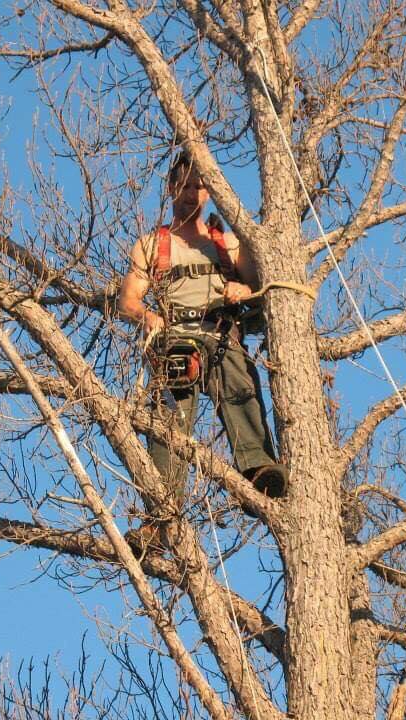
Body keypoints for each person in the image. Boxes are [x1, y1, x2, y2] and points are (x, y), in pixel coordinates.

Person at [118, 153, 288, 506]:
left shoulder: (227, 244)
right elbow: (128, 302)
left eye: (198, 186)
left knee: (240, 385)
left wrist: (244, 290)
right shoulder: (151, 245)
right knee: (168, 418)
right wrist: (147, 317)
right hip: (176, 339)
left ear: (210, 192)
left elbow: (261, 292)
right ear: (170, 189)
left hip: (220, 334)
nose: (191, 194)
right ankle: (162, 506)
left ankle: (258, 469)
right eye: (184, 185)